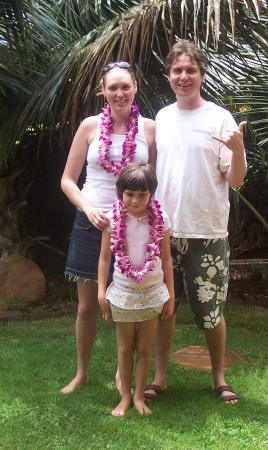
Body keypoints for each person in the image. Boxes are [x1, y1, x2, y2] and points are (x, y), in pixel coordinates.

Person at [144, 40, 247, 404]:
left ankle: (219, 378)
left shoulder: (220, 118)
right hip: (164, 232)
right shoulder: (163, 117)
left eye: (191, 70)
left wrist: (237, 150)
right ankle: (159, 378)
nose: (183, 76)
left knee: (211, 311)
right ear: (169, 76)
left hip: (207, 230)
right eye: (177, 70)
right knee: (162, 307)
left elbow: (235, 179)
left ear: (202, 74)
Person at [60, 61, 156, 394]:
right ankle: (82, 372)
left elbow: (154, 182)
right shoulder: (89, 126)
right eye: (112, 87)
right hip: (92, 222)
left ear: (135, 87)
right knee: (87, 306)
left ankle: (122, 375)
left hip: (133, 227)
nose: (119, 93)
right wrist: (87, 209)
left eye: (124, 86)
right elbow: (68, 180)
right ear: (103, 90)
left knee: (129, 306)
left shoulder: (149, 129)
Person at [98, 162, 174, 417]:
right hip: (123, 292)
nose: (136, 200)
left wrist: (170, 296)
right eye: (130, 194)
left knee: (144, 348)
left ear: (151, 194)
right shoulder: (113, 218)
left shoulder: (160, 219)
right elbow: (104, 259)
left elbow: (166, 259)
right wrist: (101, 292)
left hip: (153, 292)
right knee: (124, 348)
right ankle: (125, 396)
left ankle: (140, 396)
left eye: (142, 194)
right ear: (121, 193)